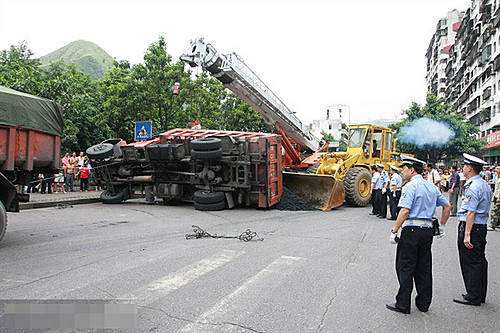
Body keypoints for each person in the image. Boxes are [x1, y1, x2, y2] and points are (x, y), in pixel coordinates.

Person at [386, 156, 451, 314]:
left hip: (412, 230)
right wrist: (441, 225)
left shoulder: (410, 186)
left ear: (412, 170)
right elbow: (447, 206)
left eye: (404, 168)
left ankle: (402, 304)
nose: (402, 171)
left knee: (405, 267)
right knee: (424, 267)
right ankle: (423, 303)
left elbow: (405, 210)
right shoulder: (431, 187)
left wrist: (394, 230)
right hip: (427, 230)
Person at [453, 154, 492, 306]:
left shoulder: (473, 186)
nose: (463, 168)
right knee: (479, 260)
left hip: (472, 227)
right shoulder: (483, 184)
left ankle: (473, 295)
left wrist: (467, 234)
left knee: (470, 261)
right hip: (480, 227)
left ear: (470, 168)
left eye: (465, 166)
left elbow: (471, 212)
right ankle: (479, 293)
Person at [488, 166, 500, 231]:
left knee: (494, 211)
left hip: (498, 196)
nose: (496, 170)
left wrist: (499, 197)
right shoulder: (496, 177)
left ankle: (492, 225)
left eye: (498, 169)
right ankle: (497, 223)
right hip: (496, 195)